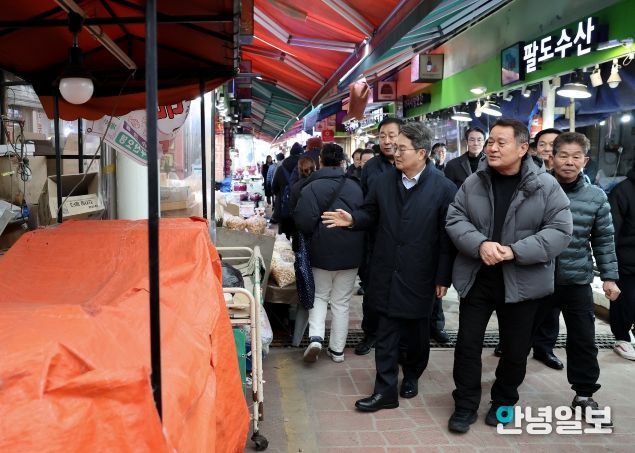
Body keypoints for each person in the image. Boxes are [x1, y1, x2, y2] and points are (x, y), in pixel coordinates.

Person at [445, 118, 572, 433]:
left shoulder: (546, 185)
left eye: (501, 142)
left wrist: (516, 251)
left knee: (516, 350)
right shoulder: (474, 182)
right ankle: (465, 404)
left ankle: (503, 401)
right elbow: (455, 218)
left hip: (524, 282)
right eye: (490, 142)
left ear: (523, 148)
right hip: (478, 277)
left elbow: (560, 231)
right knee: (467, 345)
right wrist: (480, 244)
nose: (492, 148)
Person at [322, 121, 457, 412]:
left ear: (421, 153)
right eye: (395, 148)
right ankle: (385, 391)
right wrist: (354, 219)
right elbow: (370, 213)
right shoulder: (384, 182)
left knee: (417, 335)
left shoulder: (444, 188)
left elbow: (447, 237)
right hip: (386, 268)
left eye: (401, 148)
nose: (395, 153)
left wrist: (443, 276)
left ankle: (412, 375)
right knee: (386, 332)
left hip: (421, 272)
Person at [533, 131, 619, 419]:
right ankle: (506, 391)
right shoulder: (535, 189)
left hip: (576, 280)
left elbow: (604, 240)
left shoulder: (596, 197)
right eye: (563, 155)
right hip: (536, 278)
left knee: (583, 339)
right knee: (518, 336)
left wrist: (609, 277)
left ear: (585, 160)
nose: (569, 162)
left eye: (576, 157)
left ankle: (584, 394)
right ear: (552, 157)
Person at [293, 144, 364, 363]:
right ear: (343, 162)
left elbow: (303, 222)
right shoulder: (356, 187)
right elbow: (363, 218)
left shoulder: (311, 187)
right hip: (352, 252)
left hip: (321, 252)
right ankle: (337, 350)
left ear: (320, 161)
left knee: (320, 296)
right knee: (342, 301)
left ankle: (316, 338)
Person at [355, 117, 403, 355]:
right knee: (373, 290)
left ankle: (402, 336)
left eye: (392, 135)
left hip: (405, 239)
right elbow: (365, 203)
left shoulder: (412, 163)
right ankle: (371, 333)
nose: (386, 141)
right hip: (376, 238)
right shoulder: (371, 167)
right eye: (382, 136)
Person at [609, 161, 635, 360]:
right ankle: (621, 338)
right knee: (625, 301)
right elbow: (611, 232)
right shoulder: (622, 191)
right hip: (627, 260)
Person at [272, 143, 303, 238]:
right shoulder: (304, 167)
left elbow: (274, 188)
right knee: (298, 236)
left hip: (283, 207)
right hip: (300, 207)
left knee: (284, 238)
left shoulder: (281, 168)